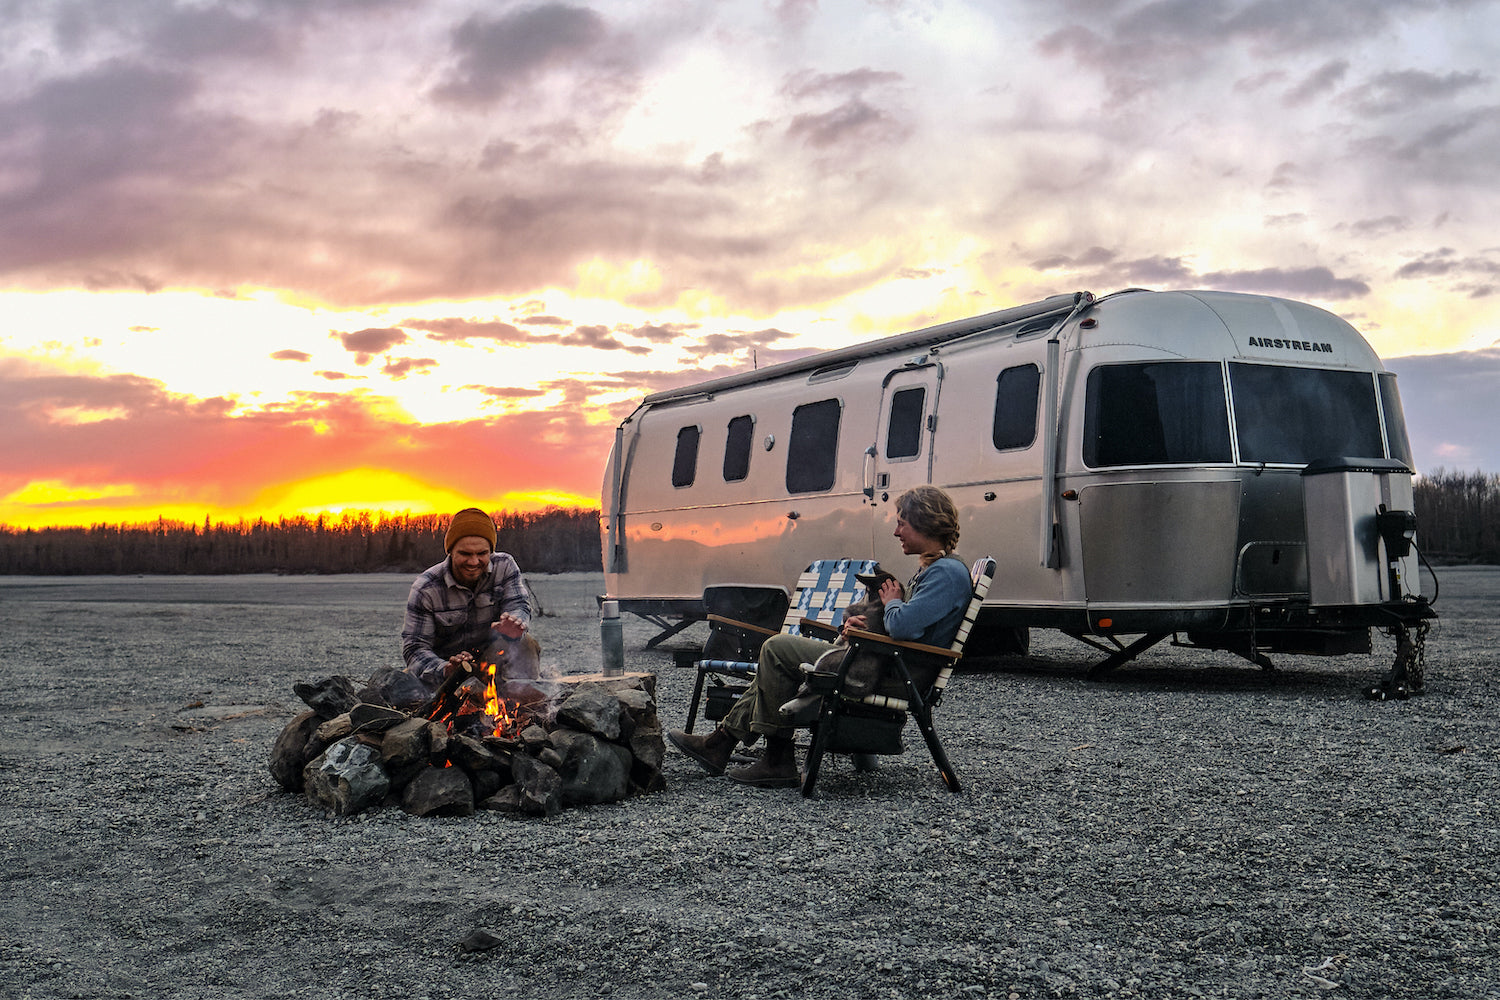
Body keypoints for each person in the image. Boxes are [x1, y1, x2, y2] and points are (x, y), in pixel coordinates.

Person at [667, 485, 973, 789]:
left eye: (901, 523)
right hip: (885, 663)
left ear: (925, 522)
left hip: (893, 674)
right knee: (778, 656)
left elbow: (903, 628)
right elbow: (910, 628)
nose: (896, 532)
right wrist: (860, 626)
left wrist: (892, 601)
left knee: (776, 649)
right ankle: (721, 744)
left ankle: (774, 760)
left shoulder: (945, 573)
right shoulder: (939, 569)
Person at [401, 507, 535, 690]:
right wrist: (445, 669)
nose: (473, 562)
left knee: (525, 643)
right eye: (465, 554)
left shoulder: (504, 566)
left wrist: (514, 623)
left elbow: (518, 604)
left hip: (491, 660)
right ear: (450, 551)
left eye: (482, 554)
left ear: (491, 551)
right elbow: (415, 648)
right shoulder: (426, 588)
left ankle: (523, 705)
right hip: (445, 671)